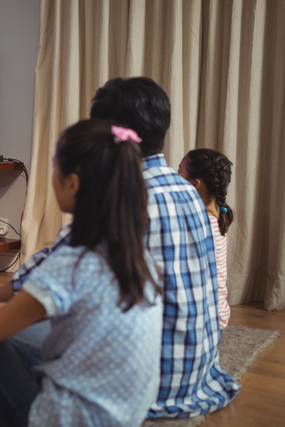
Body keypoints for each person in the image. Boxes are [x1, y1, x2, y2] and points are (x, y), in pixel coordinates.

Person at [0, 119, 163, 427]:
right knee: (14, 336)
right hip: (120, 417)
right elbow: (15, 314)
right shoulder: (137, 256)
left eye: (54, 165)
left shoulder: (75, 263)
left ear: (73, 183)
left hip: (55, 420)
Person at [90, 77, 240, 418]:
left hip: (144, 384)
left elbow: (49, 284)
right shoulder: (190, 193)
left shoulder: (123, 195)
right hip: (197, 371)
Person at [178, 149, 234, 330]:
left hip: (206, 320)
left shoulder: (200, 225)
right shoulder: (217, 216)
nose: (175, 176)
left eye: (179, 172)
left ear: (195, 185)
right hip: (218, 314)